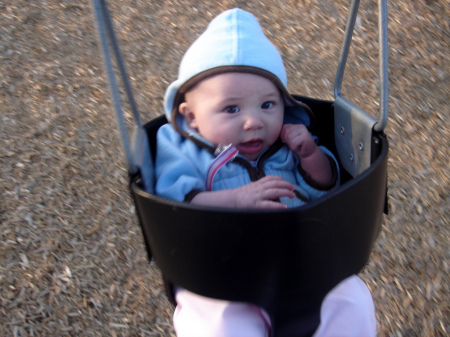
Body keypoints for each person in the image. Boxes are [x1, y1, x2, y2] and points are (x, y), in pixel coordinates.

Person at [155, 8, 377, 337]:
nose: (254, 121)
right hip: (218, 272)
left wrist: (310, 155)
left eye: (267, 105)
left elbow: (326, 187)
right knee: (218, 326)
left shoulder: (289, 142)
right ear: (191, 117)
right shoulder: (185, 149)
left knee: (353, 302)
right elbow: (174, 201)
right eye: (231, 109)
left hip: (300, 262)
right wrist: (236, 199)